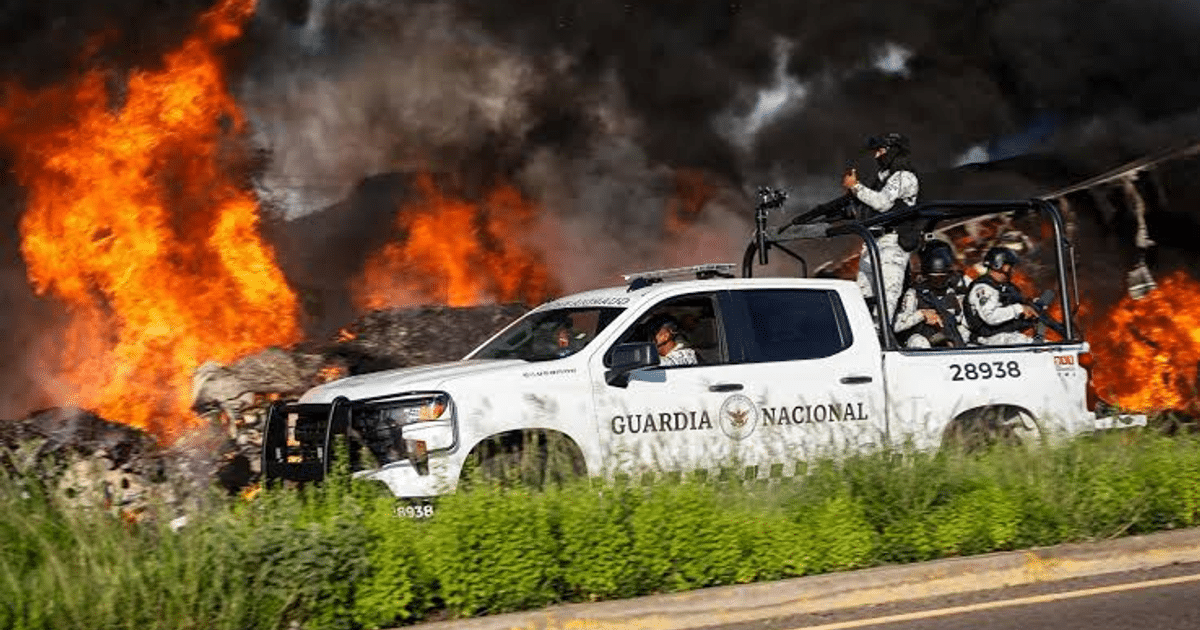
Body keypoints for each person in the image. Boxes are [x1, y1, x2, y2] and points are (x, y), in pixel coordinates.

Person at [843, 133, 920, 326]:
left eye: (881, 151)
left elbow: (883, 203)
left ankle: (881, 337)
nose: (877, 156)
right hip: (872, 243)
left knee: (885, 305)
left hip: (892, 244)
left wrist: (856, 187)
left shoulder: (904, 177)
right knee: (862, 300)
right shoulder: (881, 179)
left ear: (893, 151)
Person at [893, 240, 970, 348]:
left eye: (942, 276)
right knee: (918, 341)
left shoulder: (955, 292)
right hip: (923, 341)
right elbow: (897, 325)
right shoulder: (915, 294)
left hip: (947, 339)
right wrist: (921, 315)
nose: (939, 281)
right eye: (934, 277)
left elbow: (967, 321)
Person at [963, 246, 1038, 346]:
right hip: (989, 340)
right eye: (1011, 266)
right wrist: (1019, 309)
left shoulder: (1005, 286)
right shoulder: (983, 288)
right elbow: (990, 317)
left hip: (1005, 336)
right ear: (1003, 267)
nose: (1013, 270)